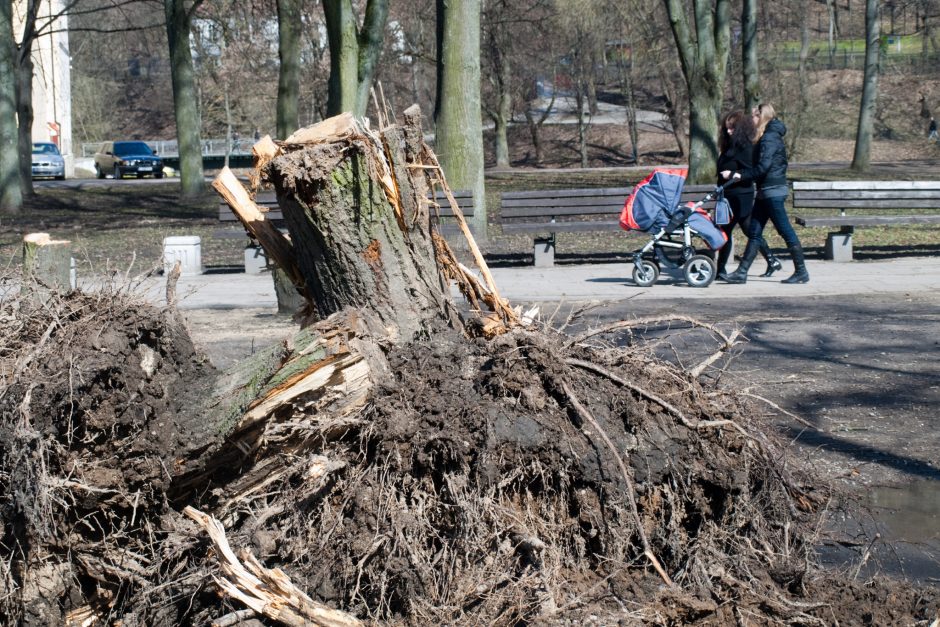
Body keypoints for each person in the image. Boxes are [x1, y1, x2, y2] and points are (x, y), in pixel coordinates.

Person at [721, 103, 809, 284]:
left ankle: (801, 272)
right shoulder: (765, 137)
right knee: (754, 232)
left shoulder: (769, 138)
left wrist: (739, 175)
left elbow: (763, 167)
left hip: (773, 191)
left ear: (762, 116)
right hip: (765, 191)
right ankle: (742, 272)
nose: (751, 119)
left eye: (754, 115)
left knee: (785, 231)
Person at [715, 110, 782, 281]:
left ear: (740, 129)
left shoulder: (745, 148)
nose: (729, 131)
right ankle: (771, 260)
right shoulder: (728, 146)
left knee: (730, 230)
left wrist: (731, 174)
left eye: (732, 128)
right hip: (727, 195)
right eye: (727, 128)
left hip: (740, 196)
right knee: (742, 230)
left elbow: (749, 171)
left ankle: (720, 269)